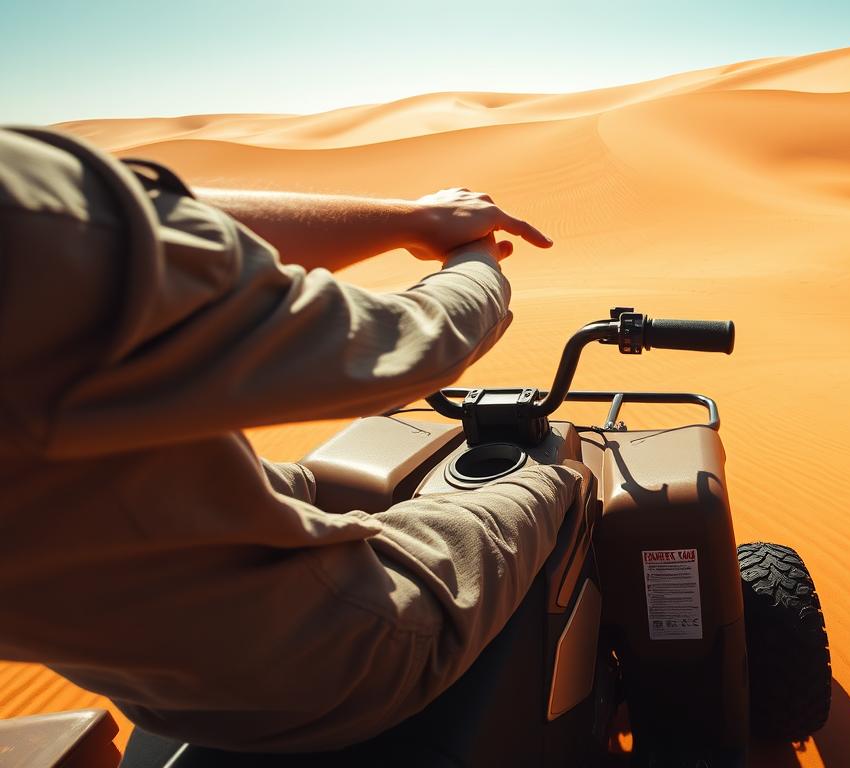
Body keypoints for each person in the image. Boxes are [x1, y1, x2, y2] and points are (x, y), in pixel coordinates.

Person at [0, 126, 585, 751]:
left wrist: (414, 219)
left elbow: (128, 230)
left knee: (320, 479)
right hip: (322, 664)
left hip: (144, 653)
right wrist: (475, 263)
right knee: (554, 479)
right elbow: (405, 346)